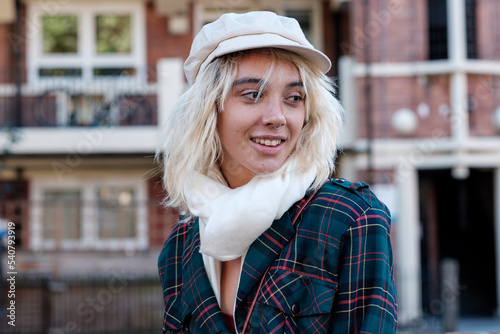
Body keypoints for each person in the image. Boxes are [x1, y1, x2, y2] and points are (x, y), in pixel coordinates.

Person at [157, 11, 397, 334]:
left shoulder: (350, 218)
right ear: (210, 109)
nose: (277, 117)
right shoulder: (179, 248)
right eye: (253, 94)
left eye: (294, 98)